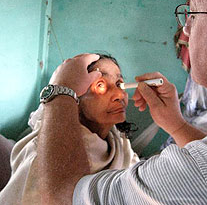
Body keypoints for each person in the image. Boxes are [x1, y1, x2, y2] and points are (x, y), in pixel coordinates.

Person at [32, 0, 207, 204]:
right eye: (101, 85)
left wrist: (60, 89)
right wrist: (176, 125)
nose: (186, 31)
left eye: (192, 15)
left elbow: (63, 197)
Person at [0, 54, 139, 204]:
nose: (120, 94)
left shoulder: (118, 141)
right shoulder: (48, 154)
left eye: (119, 83)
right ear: (73, 99)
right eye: (100, 85)